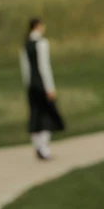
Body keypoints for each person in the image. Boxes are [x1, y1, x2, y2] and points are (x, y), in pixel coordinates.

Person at [19, 17, 65, 160]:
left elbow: (25, 68)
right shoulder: (42, 43)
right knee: (47, 115)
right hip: (41, 84)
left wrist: (28, 84)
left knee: (35, 115)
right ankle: (43, 147)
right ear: (38, 26)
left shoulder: (25, 44)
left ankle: (38, 146)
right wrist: (50, 87)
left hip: (31, 84)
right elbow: (44, 67)